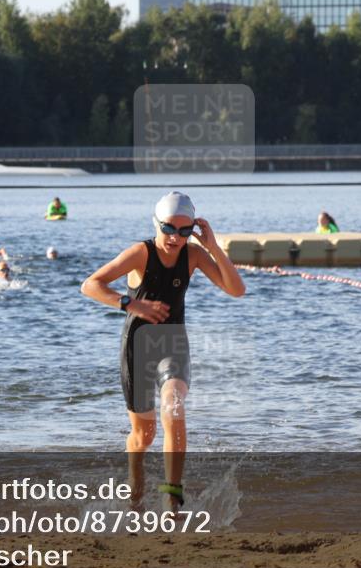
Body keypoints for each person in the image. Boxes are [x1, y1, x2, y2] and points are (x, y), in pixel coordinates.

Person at [81, 192, 246, 511]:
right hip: (138, 347)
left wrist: (212, 247)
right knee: (143, 435)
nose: (175, 238)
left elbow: (237, 290)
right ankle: (135, 487)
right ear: (156, 223)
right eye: (169, 229)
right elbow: (91, 284)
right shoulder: (140, 253)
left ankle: (173, 500)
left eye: (185, 231)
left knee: (173, 407)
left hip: (173, 343)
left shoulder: (194, 255)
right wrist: (131, 303)